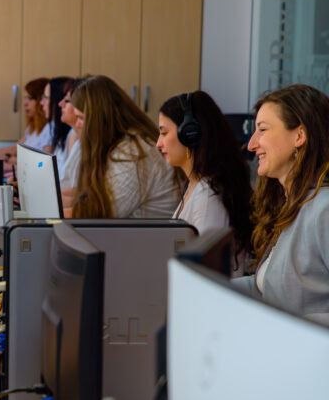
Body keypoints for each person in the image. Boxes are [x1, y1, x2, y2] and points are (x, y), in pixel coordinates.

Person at [239, 84, 329, 324]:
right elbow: (266, 287)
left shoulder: (324, 209)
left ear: (299, 136)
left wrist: (296, 329)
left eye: (263, 130)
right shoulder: (292, 203)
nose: (252, 144)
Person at [156, 91, 253, 270]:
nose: (158, 144)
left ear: (189, 134)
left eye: (164, 133)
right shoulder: (196, 185)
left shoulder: (207, 197)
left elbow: (206, 267)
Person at [70, 75, 181, 218]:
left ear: (99, 119)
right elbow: (89, 200)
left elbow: (95, 215)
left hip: (143, 233)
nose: (77, 124)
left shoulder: (134, 154)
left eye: (81, 118)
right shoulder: (124, 144)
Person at [0, 77, 51, 176]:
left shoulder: (49, 129)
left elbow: (43, 165)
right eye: (25, 98)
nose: (25, 103)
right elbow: (14, 148)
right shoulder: (32, 128)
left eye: (30, 98)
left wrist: (12, 160)